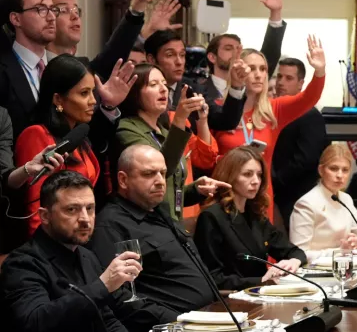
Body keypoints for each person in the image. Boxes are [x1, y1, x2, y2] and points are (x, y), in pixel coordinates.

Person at [0, 0, 155, 137]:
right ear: (15, 19)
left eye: (53, 10)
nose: (50, 17)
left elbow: (88, 135)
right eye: (41, 9)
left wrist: (108, 106)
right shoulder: (5, 62)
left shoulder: (70, 67)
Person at [0, 172, 140, 332]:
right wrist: (102, 286)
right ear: (45, 216)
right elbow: (36, 322)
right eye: (72, 209)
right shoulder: (22, 263)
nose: (85, 219)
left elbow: (106, 321)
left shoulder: (86, 256)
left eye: (90, 208)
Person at [89, 144, 228, 332]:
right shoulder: (110, 225)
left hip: (209, 320)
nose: (160, 181)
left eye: (163, 173)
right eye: (149, 174)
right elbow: (118, 296)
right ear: (123, 179)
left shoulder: (160, 212)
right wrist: (176, 323)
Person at [14, 55, 135, 238]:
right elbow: (36, 210)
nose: (93, 101)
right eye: (84, 93)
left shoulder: (79, 136)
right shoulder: (37, 135)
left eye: (93, 92)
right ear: (58, 100)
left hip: (83, 237)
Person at [212, 35, 326, 222]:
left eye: (263, 69)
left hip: (260, 199)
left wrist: (319, 70)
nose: (259, 74)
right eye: (252, 68)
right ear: (237, 71)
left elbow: (309, 98)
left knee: (260, 249)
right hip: (225, 197)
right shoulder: (218, 109)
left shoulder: (273, 110)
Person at [114, 64, 218, 220]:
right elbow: (163, 168)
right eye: (153, 84)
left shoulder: (164, 130)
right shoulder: (127, 129)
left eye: (164, 83)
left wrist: (197, 189)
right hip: (146, 223)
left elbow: (170, 190)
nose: (164, 89)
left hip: (172, 223)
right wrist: (180, 118)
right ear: (134, 93)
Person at [194, 147, 308, 289]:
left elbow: (292, 251)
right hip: (232, 299)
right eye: (247, 174)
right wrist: (261, 280)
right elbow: (213, 278)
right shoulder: (212, 217)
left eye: (259, 175)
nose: (256, 181)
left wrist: (293, 261)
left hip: (262, 293)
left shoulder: (255, 214)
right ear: (229, 176)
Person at [200, 0, 287, 107]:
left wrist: (275, 13)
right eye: (229, 49)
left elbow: (271, 53)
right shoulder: (198, 91)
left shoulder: (251, 86)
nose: (236, 54)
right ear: (212, 57)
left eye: (238, 49)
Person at [290, 142, 357, 263]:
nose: (340, 175)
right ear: (321, 170)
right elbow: (298, 254)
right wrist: (340, 252)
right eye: (334, 168)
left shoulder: (345, 199)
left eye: (345, 170)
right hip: (313, 273)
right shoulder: (306, 203)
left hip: (344, 268)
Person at [144, 29, 246, 132]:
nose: (179, 62)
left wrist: (236, 85)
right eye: (170, 55)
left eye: (182, 55)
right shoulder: (140, 89)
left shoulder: (194, 89)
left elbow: (225, 122)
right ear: (152, 59)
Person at [271, 57, 329, 227]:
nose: (281, 82)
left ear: (301, 83)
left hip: (297, 197)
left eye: (288, 78)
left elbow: (306, 160)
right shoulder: (272, 109)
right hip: (276, 193)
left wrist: (274, 180)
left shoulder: (309, 115)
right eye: (279, 76)